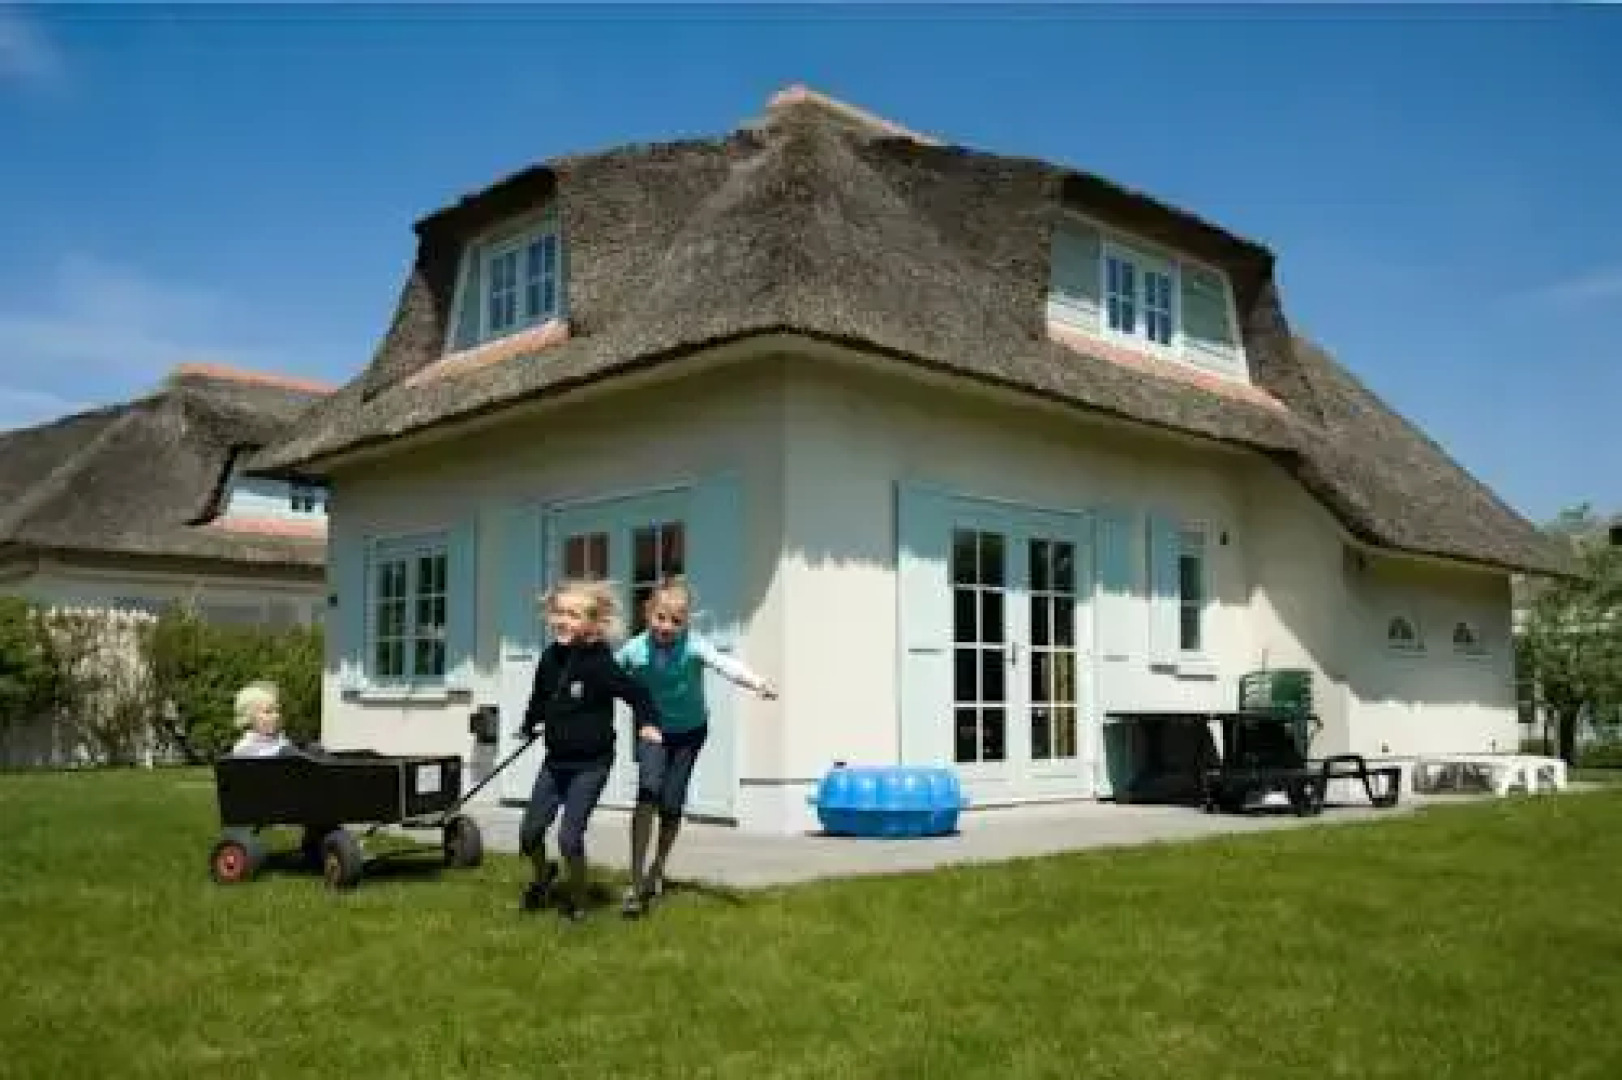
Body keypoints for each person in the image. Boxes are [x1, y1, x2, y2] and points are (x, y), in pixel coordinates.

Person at [615, 576, 777, 918]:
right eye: (661, 618)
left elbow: (724, 664)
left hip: (689, 733)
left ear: (686, 622)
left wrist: (756, 682)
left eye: (676, 621)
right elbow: (607, 677)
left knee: (671, 805)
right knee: (648, 792)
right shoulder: (634, 650)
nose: (667, 627)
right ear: (648, 613)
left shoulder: (693, 646)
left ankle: (658, 866)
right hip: (653, 731)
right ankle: (635, 878)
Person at [517, 578, 660, 922]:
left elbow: (637, 693)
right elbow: (539, 699)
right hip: (555, 763)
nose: (564, 621)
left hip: (590, 765)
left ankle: (578, 901)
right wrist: (529, 724)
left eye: (574, 615)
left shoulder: (598, 663)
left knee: (569, 837)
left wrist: (647, 723)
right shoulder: (549, 658)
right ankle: (542, 877)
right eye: (559, 613)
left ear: (592, 624)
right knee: (530, 832)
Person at [230, 681, 292, 757]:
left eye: (277, 710)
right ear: (249, 717)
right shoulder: (240, 751)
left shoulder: (287, 751)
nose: (276, 716)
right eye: (268, 712)